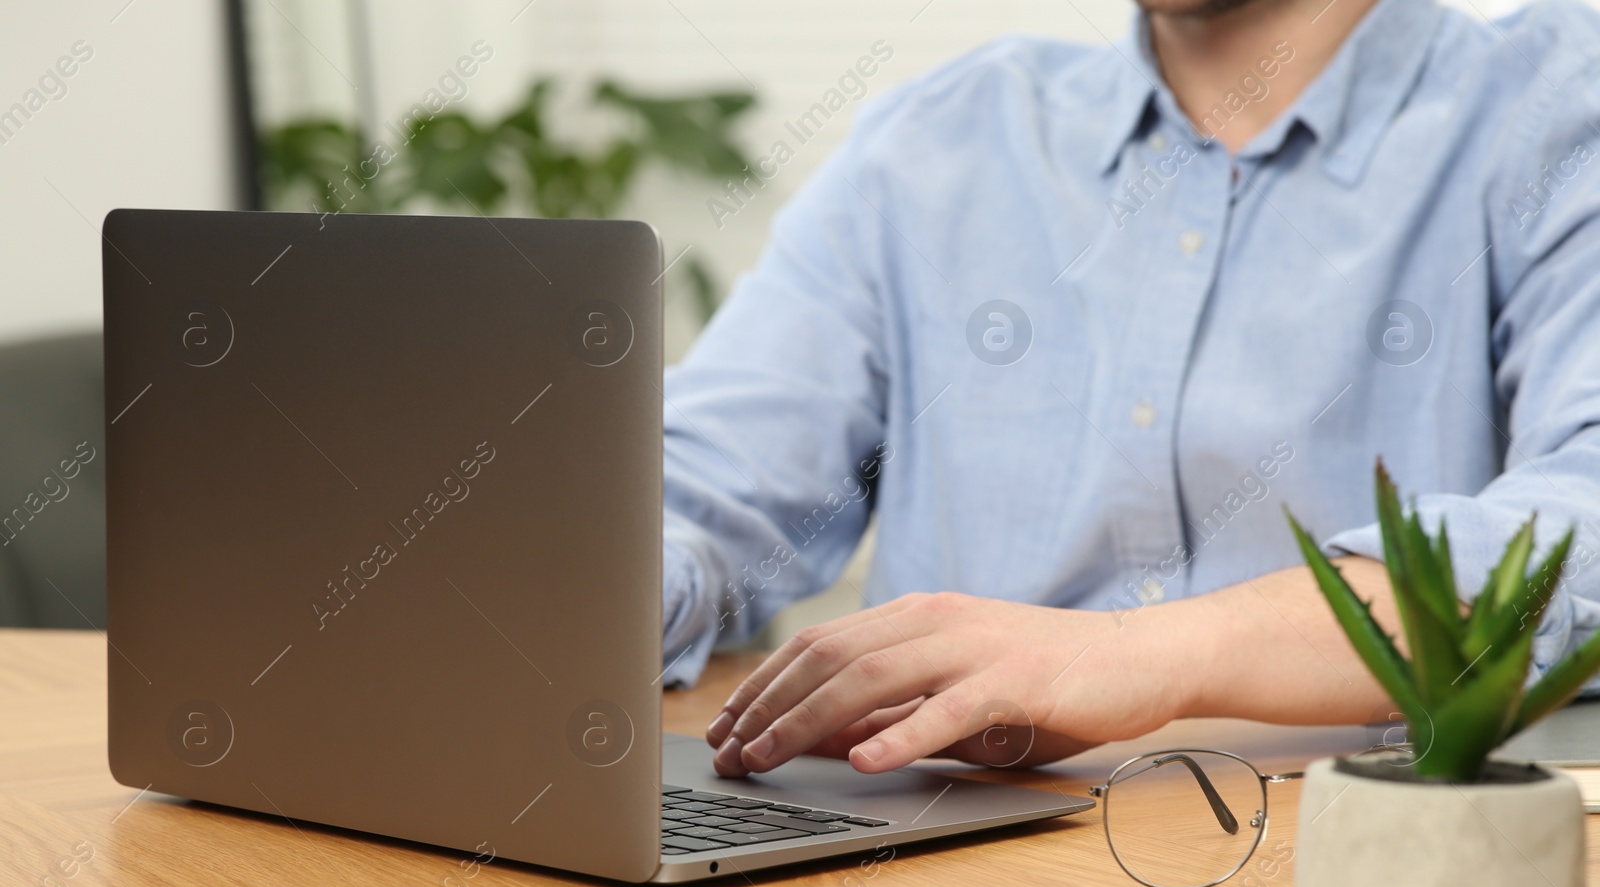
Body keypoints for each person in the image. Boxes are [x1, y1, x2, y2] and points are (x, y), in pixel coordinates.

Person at [659, 0, 1600, 778]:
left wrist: (1143, 656)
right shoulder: (936, 140)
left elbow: (1584, 518)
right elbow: (696, 497)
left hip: (1355, 870)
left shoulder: (1554, 106)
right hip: (942, 871)